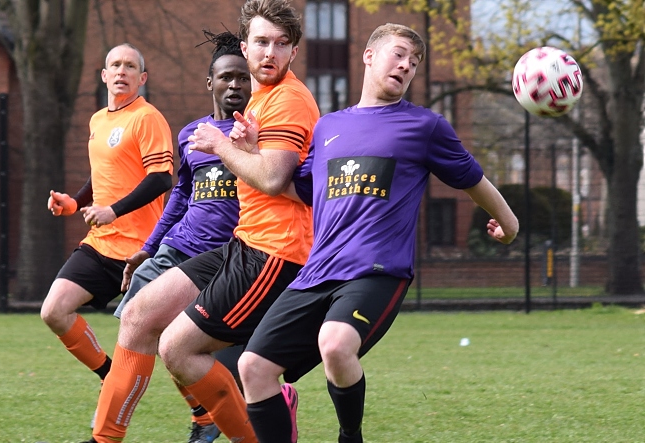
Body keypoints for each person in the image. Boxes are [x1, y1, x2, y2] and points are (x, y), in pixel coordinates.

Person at [238, 23, 521, 443]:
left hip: (376, 271)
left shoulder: (425, 126)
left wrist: (510, 222)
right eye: (400, 54)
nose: (407, 66)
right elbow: (305, 190)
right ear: (369, 56)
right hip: (317, 273)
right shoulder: (328, 127)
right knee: (253, 368)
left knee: (335, 345)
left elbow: (471, 179)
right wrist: (249, 152)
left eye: (414, 62)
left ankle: (350, 436)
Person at [82, 1, 318, 440]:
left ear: (294, 52)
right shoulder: (258, 100)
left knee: (179, 349)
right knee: (137, 315)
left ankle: (261, 413)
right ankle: (104, 438)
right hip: (240, 246)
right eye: (262, 43)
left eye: (281, 44)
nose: (270, 53)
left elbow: (273, 178)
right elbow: (184, 195)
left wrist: (224, 146)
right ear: (247, 47)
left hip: (274, 254)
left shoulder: (287, 99)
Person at [112, 30, 251, 443]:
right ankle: (117, 414)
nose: (235, 85)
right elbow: (180, 197)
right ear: (210, 82)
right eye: (226, 77)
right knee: (137, 328)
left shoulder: (260, 134)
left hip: (226, 259)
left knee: (192, 349)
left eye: (243, 78)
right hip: (176, 249)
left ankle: (213, 413)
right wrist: (148, 248)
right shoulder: (192, 133)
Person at [41, 42, 173, 422]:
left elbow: (161, 178)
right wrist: (75, 201)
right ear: (103, 75)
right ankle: (107, 373)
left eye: (130, 66)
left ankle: (203, 411)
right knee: (54, 311)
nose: (121, 71)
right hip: (99, 246)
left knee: (170, 345)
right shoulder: (98, 120)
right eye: (115, 65)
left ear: (142, 78)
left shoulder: (147, 118)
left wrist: (113, 210)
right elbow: (103, 174)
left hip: (140, 253)